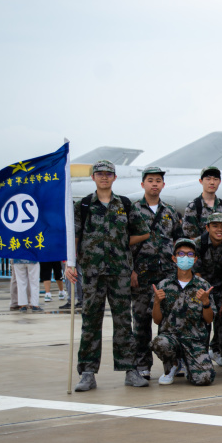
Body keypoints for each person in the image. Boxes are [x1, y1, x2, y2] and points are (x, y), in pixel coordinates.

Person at [67, 160, 150, 391]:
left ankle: (130, 370)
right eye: (100, 174)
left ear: (114, 177)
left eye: (108, 174)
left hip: (119, 272)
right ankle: (87, 373)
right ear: (93, 177)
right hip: (92, 273)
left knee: (123, 322)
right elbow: (74, 236)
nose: (104, 177)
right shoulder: (83, 205)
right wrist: (70, 264)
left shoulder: (124, 204)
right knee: (90, 322)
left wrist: (121, 243)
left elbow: (143, 232)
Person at [130, 166, 183, 379]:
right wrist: (131, 271)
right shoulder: (133, 210)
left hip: (167, 275)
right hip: (142, 275)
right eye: (150, 180)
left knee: (168, 321)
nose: (154, 184)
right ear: (143, 184)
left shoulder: (170, 211)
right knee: (141, 321)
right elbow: (125, 244)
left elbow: (179, 242)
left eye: (158, 180)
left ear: (163, 185)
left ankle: (171, 363)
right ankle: (142, 365)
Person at [150, 238, 216, 386]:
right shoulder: (164, 285)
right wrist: (156, 302)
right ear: (174, 258)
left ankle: (189, 365)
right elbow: (157, 320)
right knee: (159, 343)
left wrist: (206, 303)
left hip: (194, 341)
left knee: (205, 379)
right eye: (181, 254)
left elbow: (209, 319)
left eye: (190, 254)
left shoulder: (203, 285)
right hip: (171, 338)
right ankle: (173, 364)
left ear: (195, 259)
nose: (185, 257)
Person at [194, 213, 222, 373]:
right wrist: (204, 299)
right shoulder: (198, 243)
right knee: (202, 323)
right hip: (202, 287)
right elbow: (197, 273)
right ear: (207, 227)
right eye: (215, 226)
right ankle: (201, 360)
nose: (219, 230)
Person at [183, 166, 222, 238]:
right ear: (201, 181)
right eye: (208, 179)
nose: (212, 182)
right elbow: (191, 237)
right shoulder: (193, 207)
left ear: (219, 182)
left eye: (215, 179)